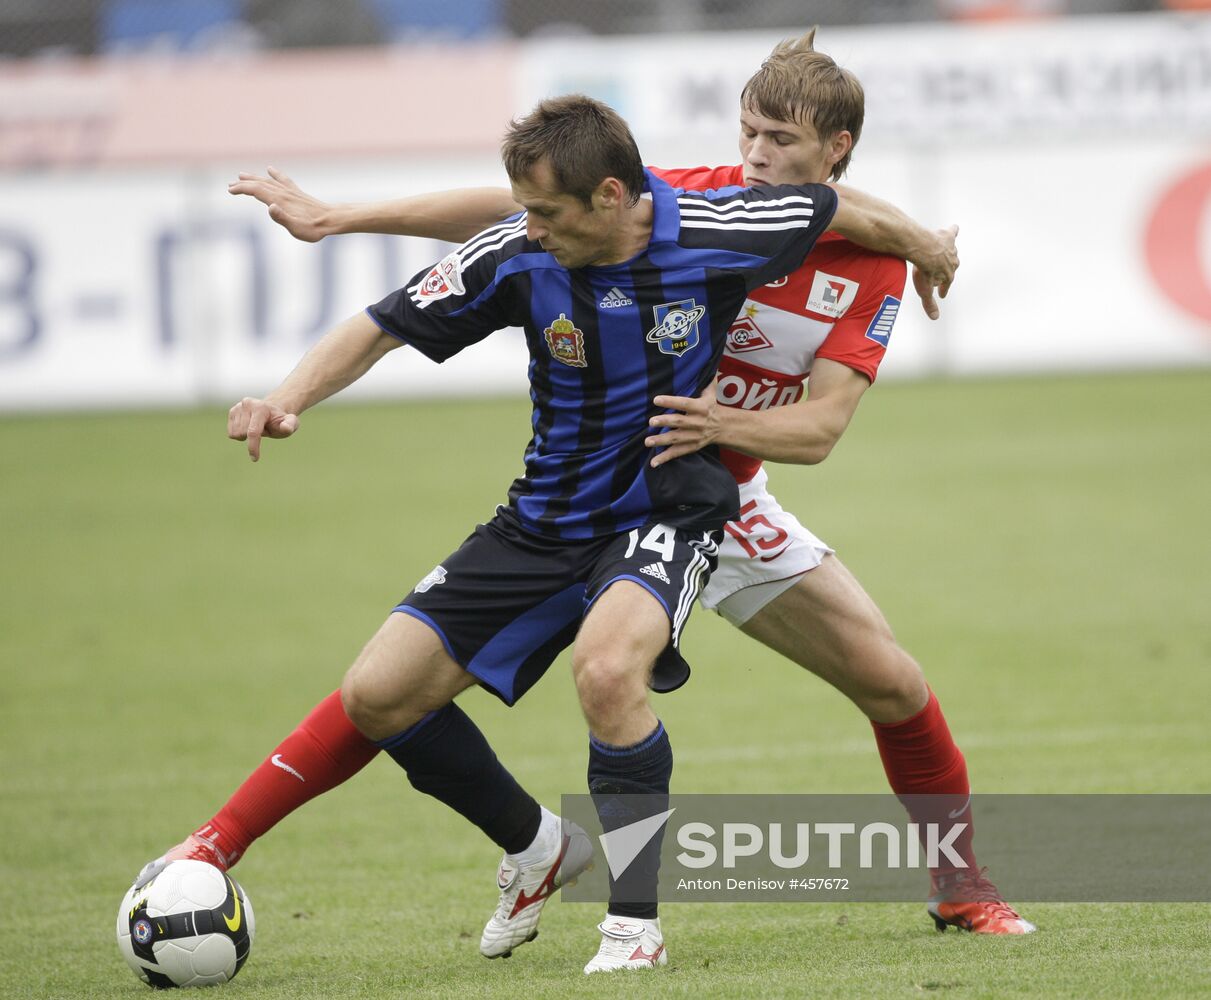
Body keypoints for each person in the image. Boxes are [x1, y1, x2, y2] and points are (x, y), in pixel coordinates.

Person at [222, 31, 1033, 938]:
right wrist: (342, 219)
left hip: (724, 501)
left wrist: (913, 249)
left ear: (834, 151)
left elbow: (822, 425)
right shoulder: (696, 200)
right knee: (397, 683)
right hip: (609, 496)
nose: (754, 157)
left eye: (780, 142)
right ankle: (215, 850)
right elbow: (516, 211)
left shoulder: (864, 265)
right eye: (748, 134)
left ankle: (962, 890)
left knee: (892, 685)